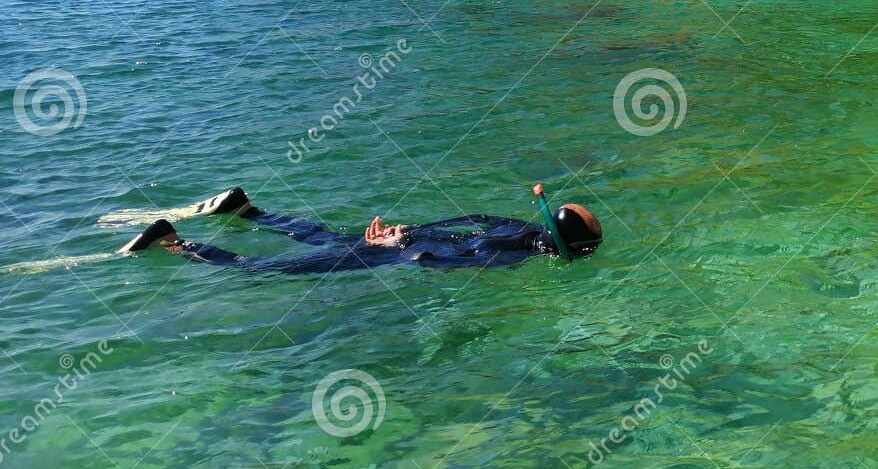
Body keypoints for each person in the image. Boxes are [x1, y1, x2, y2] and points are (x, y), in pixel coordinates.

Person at [117, 185, 601, 273]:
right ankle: (175, 242)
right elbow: (454, 258)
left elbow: (468, 220)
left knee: (322, 234)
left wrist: (406, 228)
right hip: (406, 249)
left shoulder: (517, 227)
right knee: (268, 270)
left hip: (412, 237)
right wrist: (399, 244)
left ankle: (249, 213)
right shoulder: (518, 254)